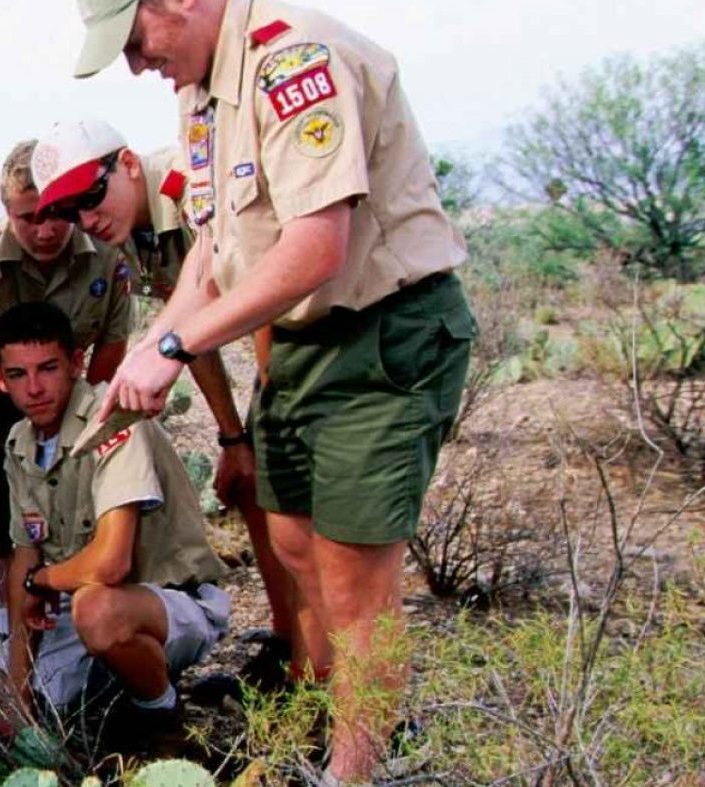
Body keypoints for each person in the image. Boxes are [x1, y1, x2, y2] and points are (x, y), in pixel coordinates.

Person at [75, 0, 477, 778]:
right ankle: (328, 718)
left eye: (134, 39)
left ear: (176, 3)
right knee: (294, 544)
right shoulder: (199, 90)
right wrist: (160, 344)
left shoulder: (296, 59)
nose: (135, 64)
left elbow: (316, 249)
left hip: (381, 332)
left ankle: (356, 766)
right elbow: (214, 247)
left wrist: (179, 342)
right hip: (300, 342)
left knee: (356, 578)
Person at [29, 117, 298, 687]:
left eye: (93, 196)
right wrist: (231, 437)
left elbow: (268, 294)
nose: (88, 219)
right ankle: (287, 639)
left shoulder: (190, 189)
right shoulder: (130, 232)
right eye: (72, 210)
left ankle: (321, 664)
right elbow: (192, 332)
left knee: (290, 495)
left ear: (127, 164)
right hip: (276, 344)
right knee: (252, 486)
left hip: (311, 331)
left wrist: (270, 414)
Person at [0, 302, 230, 729]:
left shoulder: (113, 420)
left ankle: (161, 715)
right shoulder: (20, 442)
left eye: (47, 368)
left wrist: (41, 581)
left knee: (98, 611)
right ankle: (92, 711)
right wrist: (18, 690)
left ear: (75, 363)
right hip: (80, 609)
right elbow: (24, 555)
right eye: (17, 375)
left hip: (171, 601)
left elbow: (110, 562)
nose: (34, 387)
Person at [0, 139, 133, 664]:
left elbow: (113, 341)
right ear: (7, 213)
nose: (45, 230)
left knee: (73, 498)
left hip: (72, 390)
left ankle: (70, 618)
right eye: (28, 218)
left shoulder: (106, 254)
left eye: (54, 215)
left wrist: (84, 419)